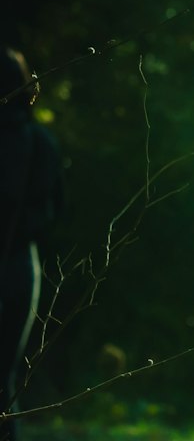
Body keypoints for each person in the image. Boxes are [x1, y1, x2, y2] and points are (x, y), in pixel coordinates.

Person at [0, 48, 63, 441]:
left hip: (18, 262)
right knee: (4, 378)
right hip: (21, 266)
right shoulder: (41, 142)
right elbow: (57, 210)